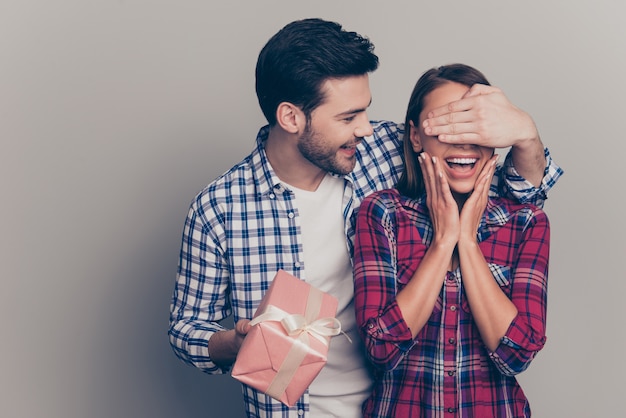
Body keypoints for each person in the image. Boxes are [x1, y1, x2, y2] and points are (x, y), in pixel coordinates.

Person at [168, 18, 562, 418]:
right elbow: (186, 330)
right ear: (290, 118)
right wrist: (234, 344)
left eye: (366, 111)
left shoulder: (389, 152)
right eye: (347, 117)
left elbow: (518, 195)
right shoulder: (221, 208)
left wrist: (526, 135)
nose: (367, 129)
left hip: (395, 404)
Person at [352, 63, 552, 417]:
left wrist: (468, 243)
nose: (464, 141)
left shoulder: (526, 223)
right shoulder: (382, 213)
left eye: (475, 126)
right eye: (447, 126)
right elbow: (381, 349)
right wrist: (444, 241)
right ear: (416, 136)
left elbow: (516, 355)